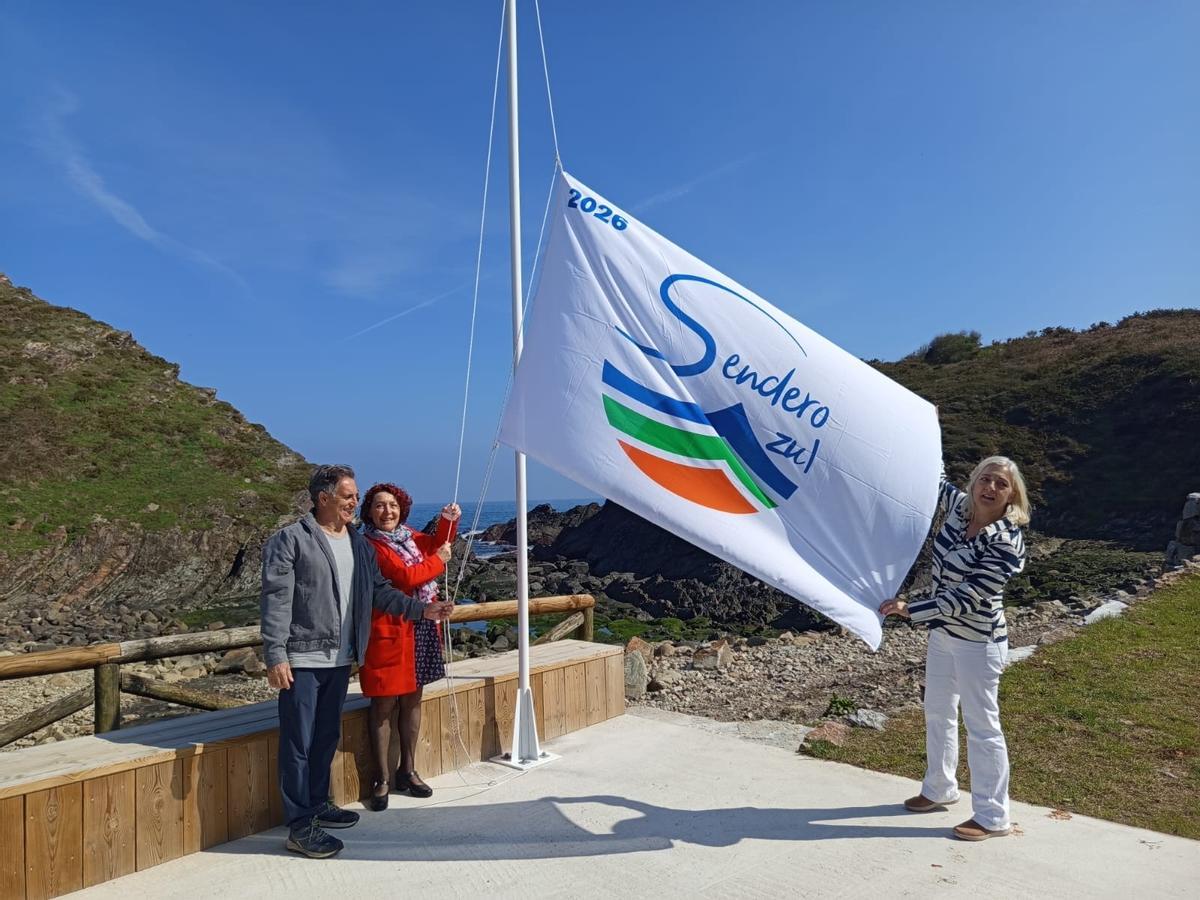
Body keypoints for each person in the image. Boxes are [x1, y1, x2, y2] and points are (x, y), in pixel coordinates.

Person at [260, 464, 453, 859]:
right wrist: (275, 654)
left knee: (326, 736)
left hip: (341, 657)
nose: (354, 502)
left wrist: (423, 612)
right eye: (348, 495)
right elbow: (275, 600)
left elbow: (380, 592)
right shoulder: (291, 540)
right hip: (301, 658)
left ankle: (318, 804)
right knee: (299, 742)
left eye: (355, 495)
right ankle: (300, 826)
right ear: (324, 498)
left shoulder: (358, 543)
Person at [879, 455, 1030, 841]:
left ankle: (993, 816)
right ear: (974, 481)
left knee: (982, 726)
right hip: (944, 635)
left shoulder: (1006, 540)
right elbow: (935, 475)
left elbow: (973, 594)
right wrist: (927, 423)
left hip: (978, 641)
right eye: (985, 479)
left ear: (1013, 495)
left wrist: (911, 609)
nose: (990, 488)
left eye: (1001, 484)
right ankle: (939, 788)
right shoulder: (959, 508)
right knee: (938, 710)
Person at [357, 482, 461, 810]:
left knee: (413, 700)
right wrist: (440, 562)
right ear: (369, 511)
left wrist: (448, 520)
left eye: (392, 505)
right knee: (384, 705)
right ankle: (382, 777)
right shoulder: (369, 545)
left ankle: (408, 770)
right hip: (388, 632)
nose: (387, 511)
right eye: (379, 505)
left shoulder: (408, 535)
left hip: (422, 629)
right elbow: (406, 576)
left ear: (402, 509)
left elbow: (434, 544)